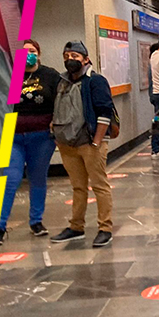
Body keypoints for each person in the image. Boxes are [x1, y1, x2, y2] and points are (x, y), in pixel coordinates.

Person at [51, 41, 115, 247]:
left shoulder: (96, 81)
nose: (70, 60)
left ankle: (105, 228)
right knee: (78, 187)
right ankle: (76, 227)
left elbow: (105, 111)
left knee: (99, 185)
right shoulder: (62, 82)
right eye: (66, 56)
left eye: (75, 56)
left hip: (89, 143)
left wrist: (97, 142)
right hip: (67, 144)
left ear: (86, 59)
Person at [0, 40, 59, 243]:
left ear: (39, 54)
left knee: (38, 178)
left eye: (32, 51)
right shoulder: (12, 76)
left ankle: (36, 221)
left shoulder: (49, 75)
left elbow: (60, 101)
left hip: (41, 136)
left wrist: (56, 122)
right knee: (10, 179)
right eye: (24, 52)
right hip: (13, 136)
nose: (28, 55)